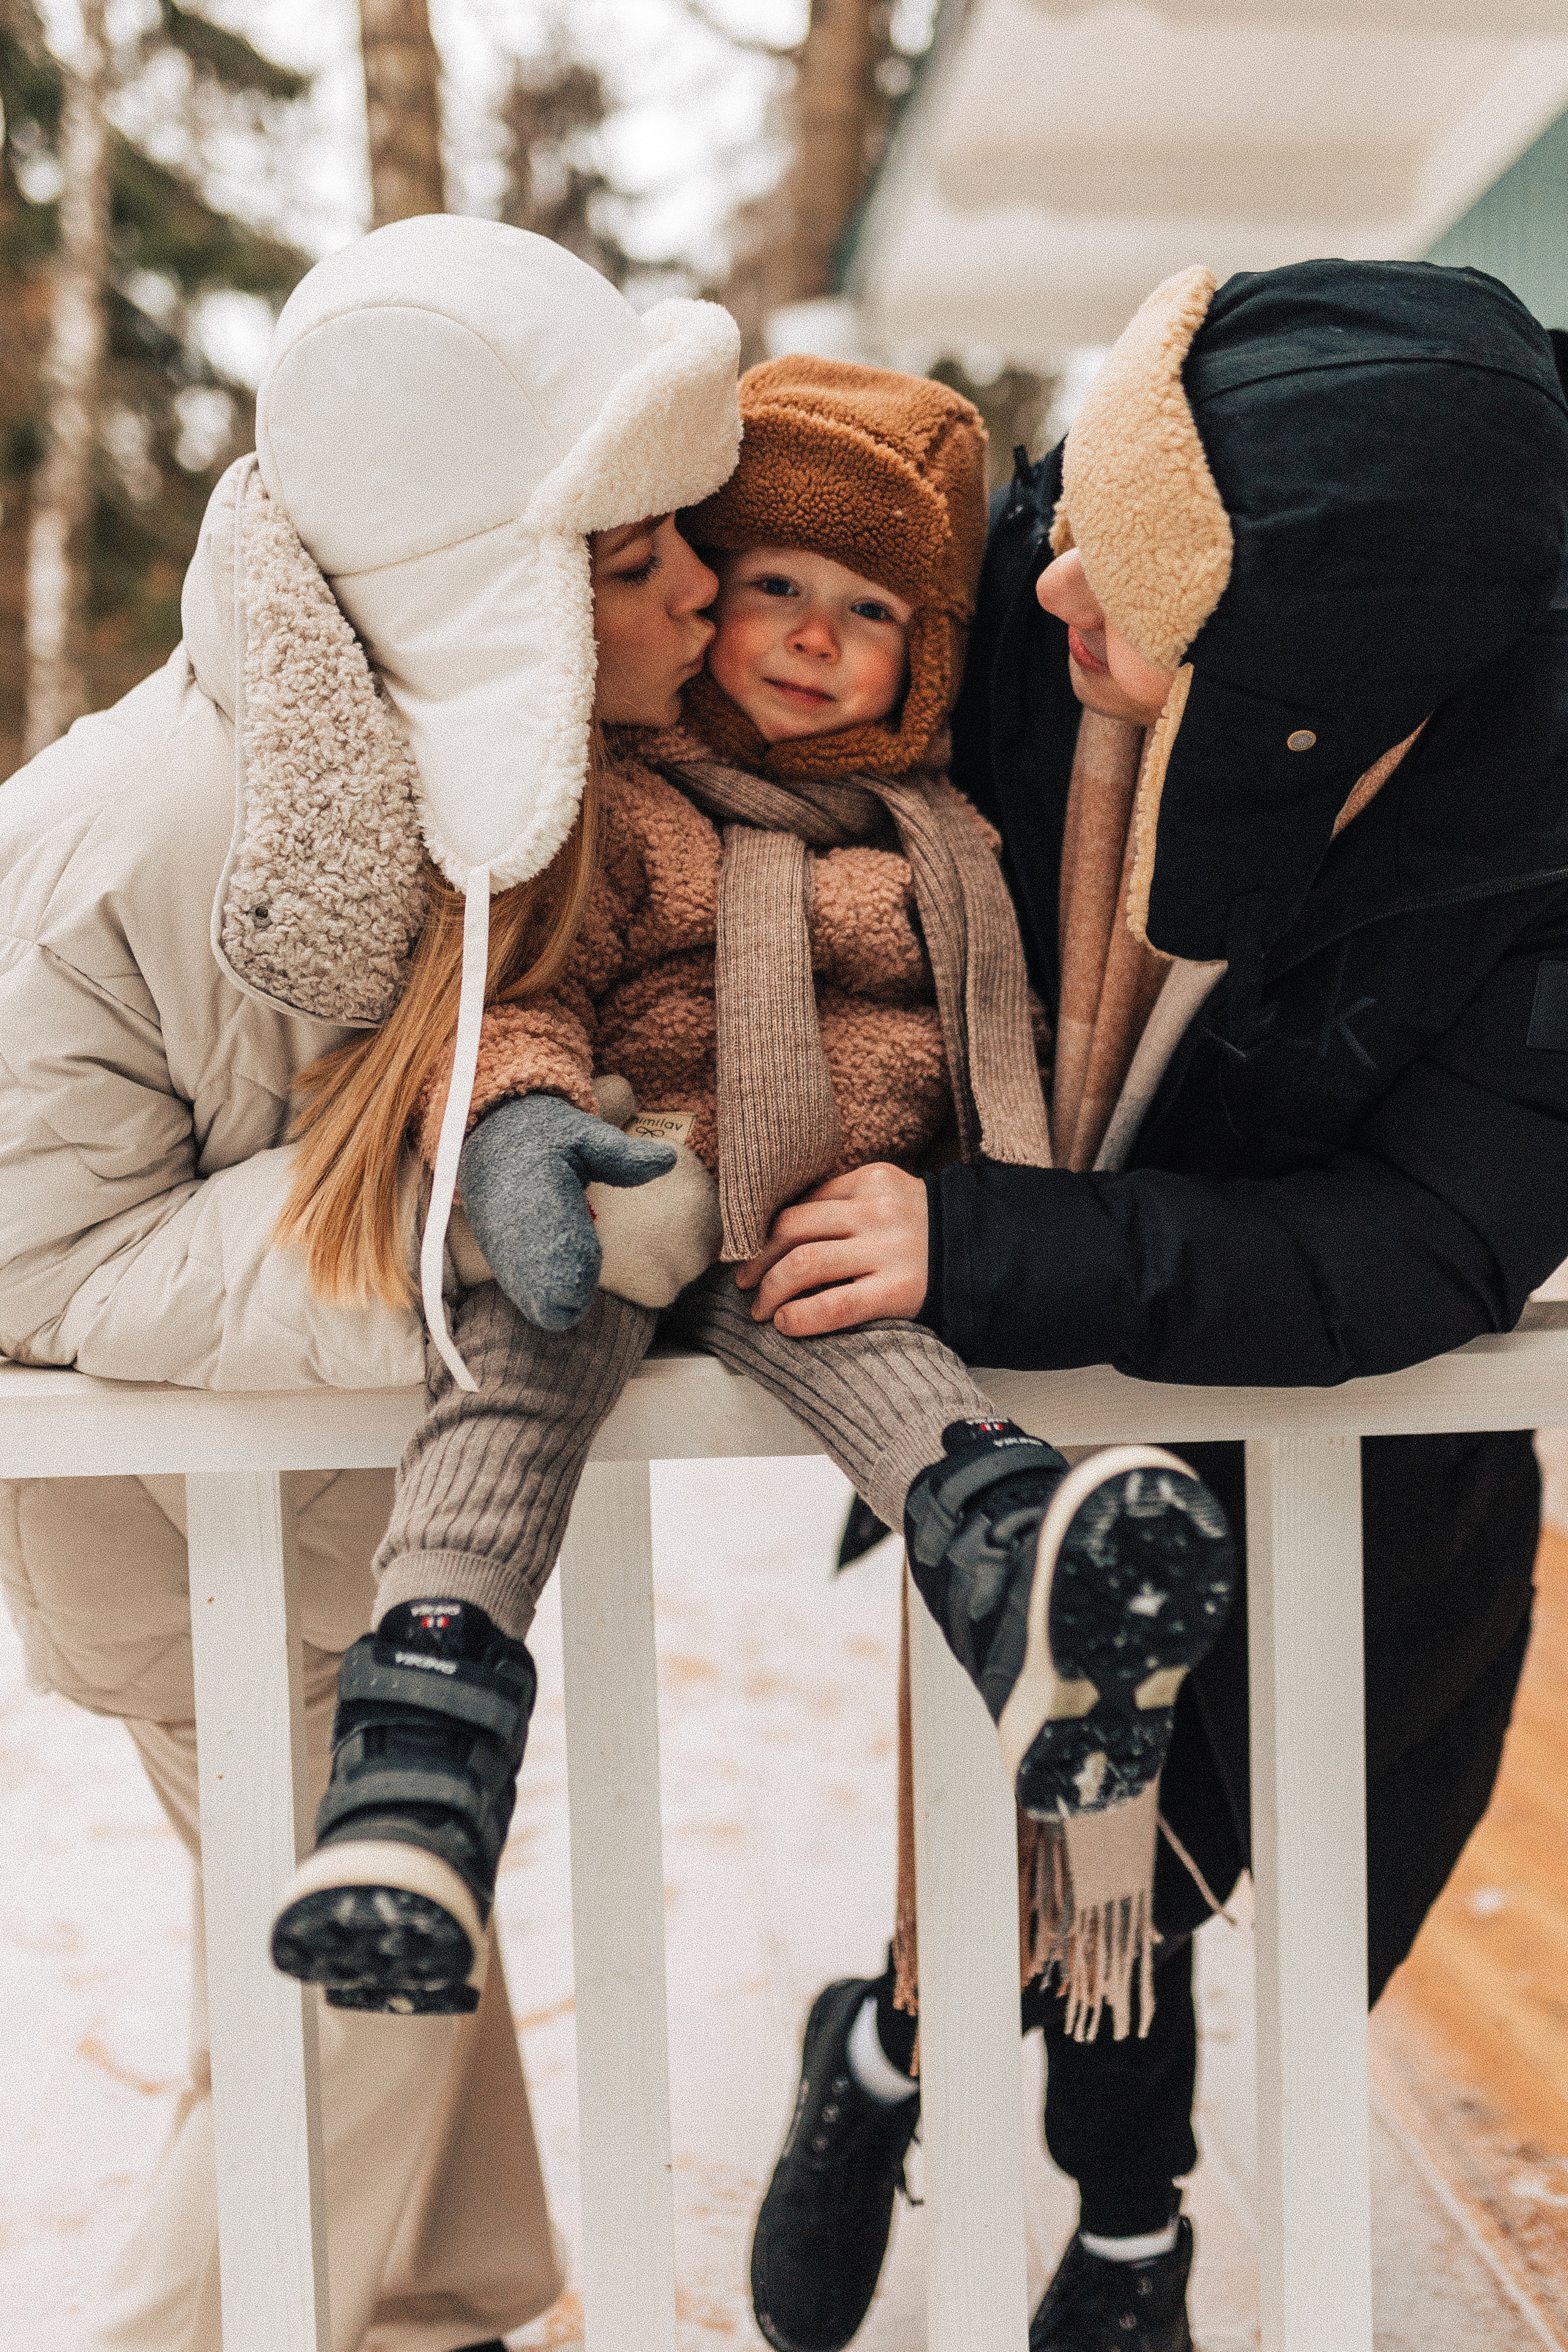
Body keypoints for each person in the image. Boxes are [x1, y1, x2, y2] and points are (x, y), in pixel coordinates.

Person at [743, 258, 1568, 2352]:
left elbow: (1435, 1237)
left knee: (1319, 1863)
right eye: (1077, 524)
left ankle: (994, 2118)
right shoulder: (1049, 583)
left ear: (1312, 674)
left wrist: (1012, 1239)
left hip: (1359, 1427)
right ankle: (1016, 2153)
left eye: (1137, 592)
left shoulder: (1533, 831)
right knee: (1072, 1853)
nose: (1054, 595)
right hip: (1054, 1398)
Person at [264, 355, 1234, 2040]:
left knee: (880, 1343)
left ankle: (1023, 1584)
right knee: (514, 1378)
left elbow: (977, 1040)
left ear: (923, 660)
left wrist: (965, 1204)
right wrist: (528, 1133)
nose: (806, 633)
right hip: (631, 1185)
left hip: (819, 1214)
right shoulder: (618, 805)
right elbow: (521, 992)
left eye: (865, 609)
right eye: (772, 585)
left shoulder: (945, 840)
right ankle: (416, 1768)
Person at [0, 212, 744, 2352]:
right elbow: (35, 1260)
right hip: (182, 1539)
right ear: (486, 582)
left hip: (347, 1520)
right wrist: (444, 1233)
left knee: (365, 1953)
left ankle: (448, 2299)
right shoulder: (146, 835)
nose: (696, 591)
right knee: (345, 1988)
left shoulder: (489, 789)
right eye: (634, 561)